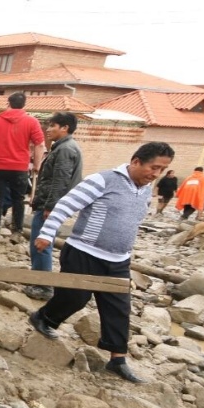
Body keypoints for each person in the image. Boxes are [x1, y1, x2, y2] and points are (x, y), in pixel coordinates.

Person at [29, 142, 175, 384]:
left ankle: (117, 359)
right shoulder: (103, 180)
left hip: (118, 259)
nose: (156, 174)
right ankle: (45, 318)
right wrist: (46, 234)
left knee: (118, 307)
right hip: (84, 252)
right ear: (136, 161)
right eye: (154, 167)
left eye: (162, 170)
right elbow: (66, 204)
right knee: (76, 297)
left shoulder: (146, 189)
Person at [23, 112, 84, 301]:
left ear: (65, 128)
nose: (48, 130)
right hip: (50, 204)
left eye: (52, 126)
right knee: (41, 241)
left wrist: (51, 207)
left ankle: (43, 286)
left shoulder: (65, 150)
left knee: (42, 243)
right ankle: (39, 279)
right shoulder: (64, 147)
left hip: (51, 206)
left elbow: (60, 181)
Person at [0, 92, 45, 242]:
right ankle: (16, 232)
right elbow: (39, 145)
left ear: (8, 103)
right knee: (18, 200)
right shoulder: (32, 122)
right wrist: (37, 165)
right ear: (24, 105)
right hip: (19, 168)